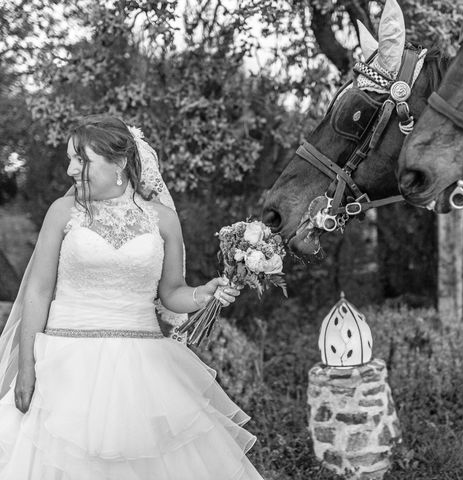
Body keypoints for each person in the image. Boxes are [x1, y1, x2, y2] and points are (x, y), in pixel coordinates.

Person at [0, 115, 265, 479]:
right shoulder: (63, 212)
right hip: (64, 365)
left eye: (81, 160)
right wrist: (28, 367)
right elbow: (38, 290)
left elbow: (171, 293)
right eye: (70, 159)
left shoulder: (164, 220)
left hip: (141, 368)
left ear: (120, 163)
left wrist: (203, 295)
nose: (70, 170)